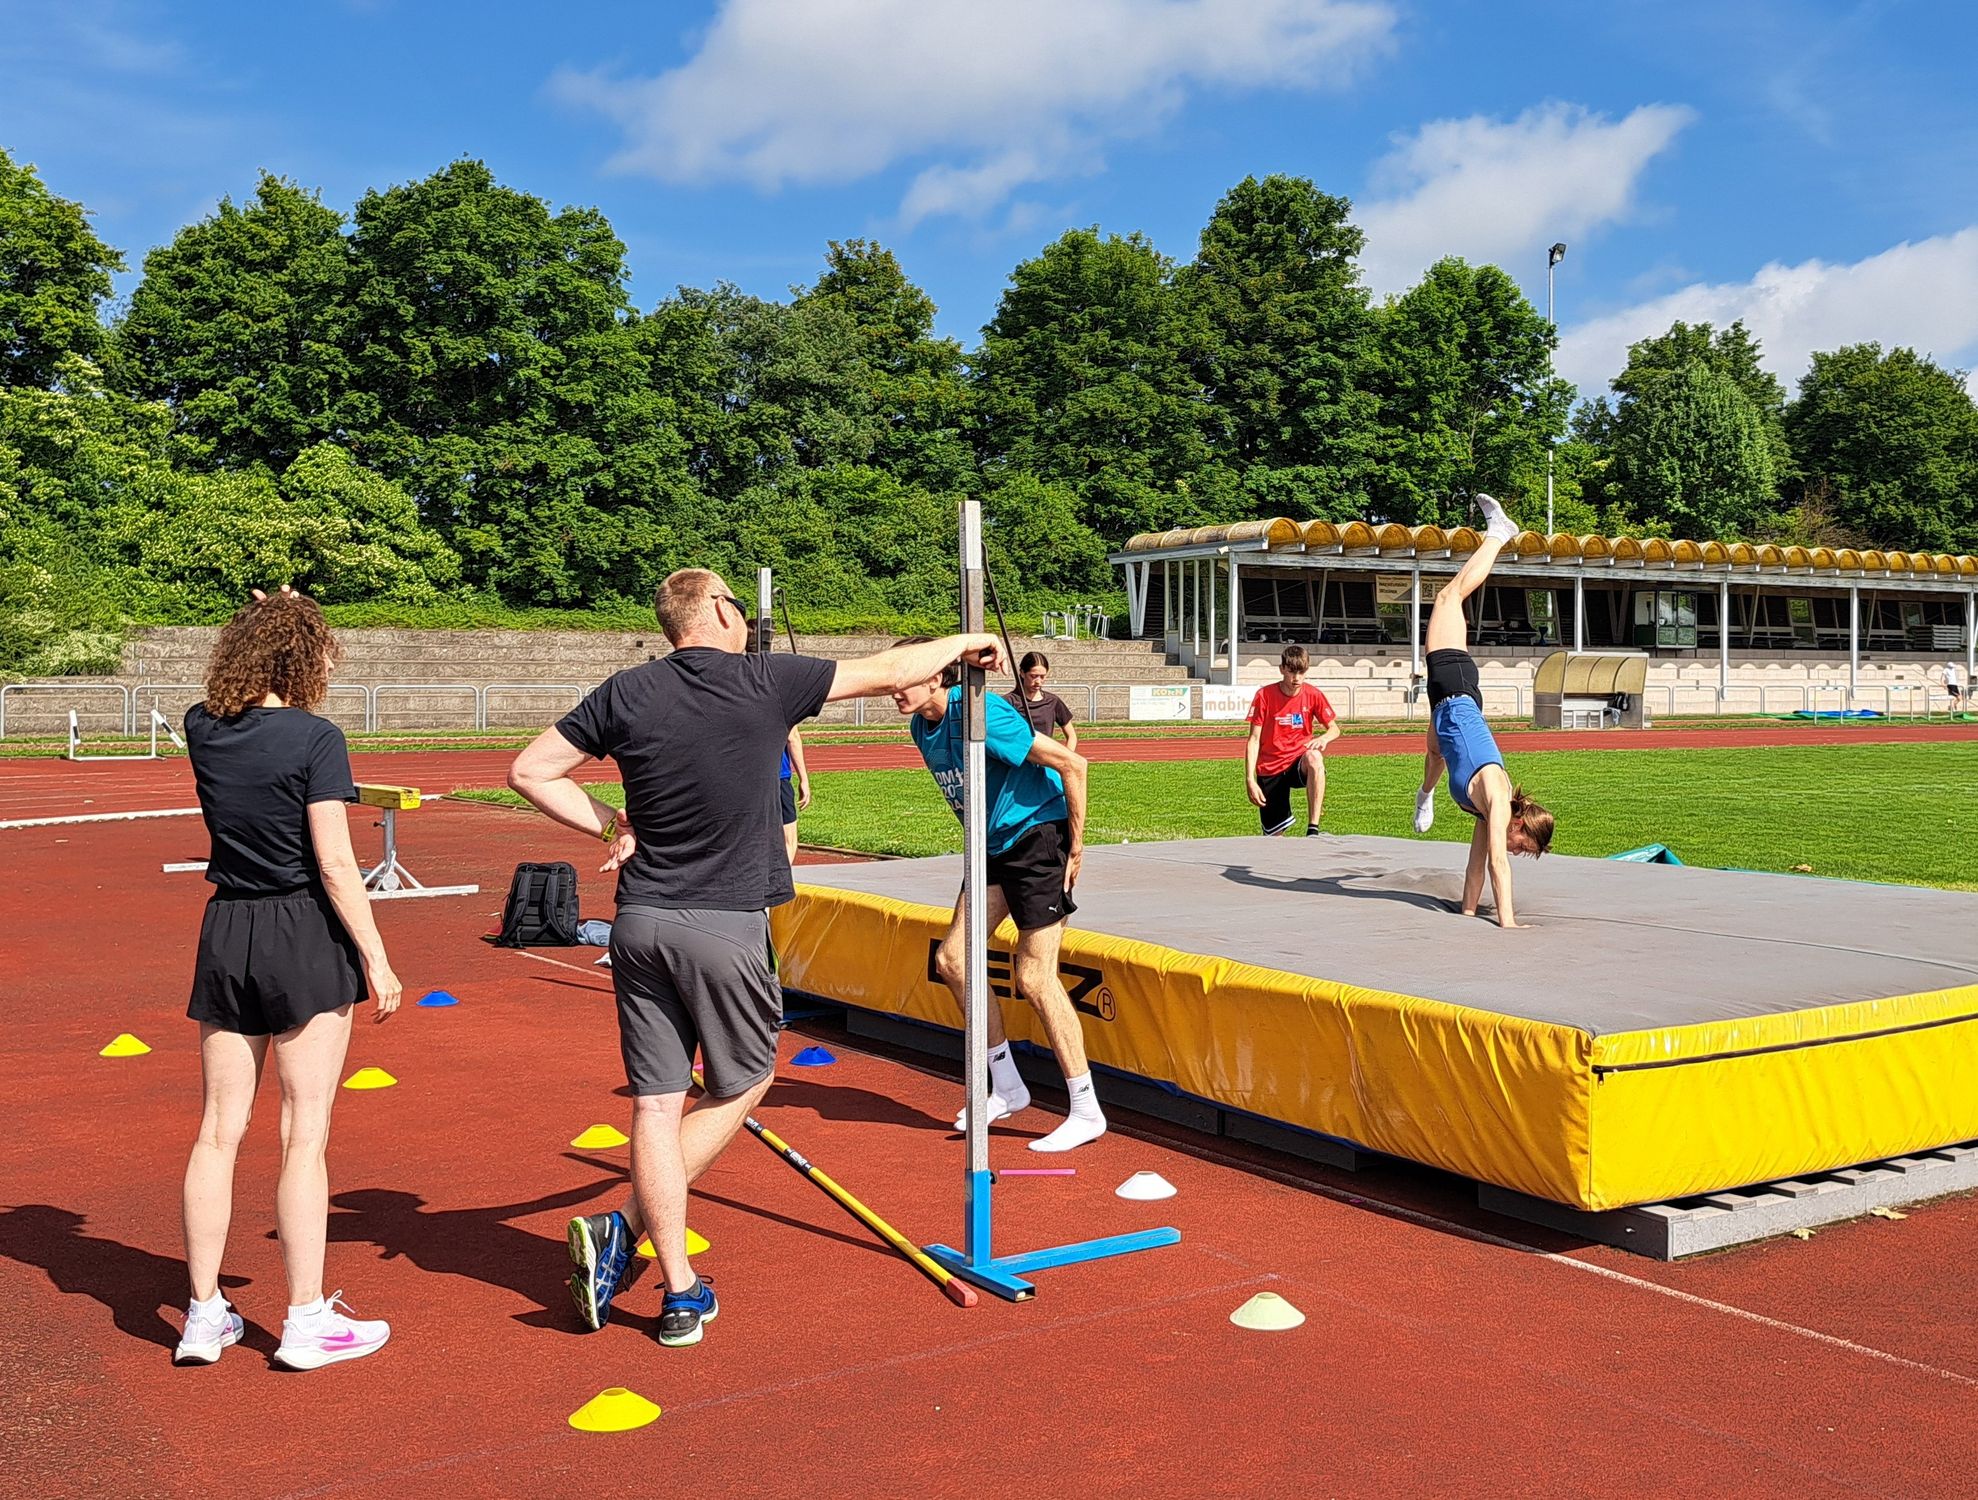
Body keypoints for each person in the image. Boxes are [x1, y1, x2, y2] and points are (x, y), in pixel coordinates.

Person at [507, 570, 1005, 1346]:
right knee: (745, 1082)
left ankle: (679, 1289)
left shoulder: (626, 690)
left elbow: (528, 771)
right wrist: (970, 640)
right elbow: (890, 671)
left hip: (637, 923)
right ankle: (627, 1234)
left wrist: (612, 825)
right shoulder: (764, 679)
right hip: (722, 923)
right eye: (736, 603)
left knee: (655, 1106)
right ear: (717, 610)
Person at [176, 587, 400, 1370]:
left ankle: (203, 1313)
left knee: (217, 1130)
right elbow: (335, 863)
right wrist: (376, 955)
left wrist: (269, 614)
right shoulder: (317, 739)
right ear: (300, 659)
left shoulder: (201, 727)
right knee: (303, 1134)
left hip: (228, 929)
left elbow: (225, 706)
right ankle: (304, 1318)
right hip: (302, 931)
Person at [897, 642, 1103, 1153]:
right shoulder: (921, 725)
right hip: (989, 848)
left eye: (903, 678)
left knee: (1034, 977)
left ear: (935, 678)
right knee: (953, 960)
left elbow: (1073, 764)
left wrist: (1076, 848)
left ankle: (1086, 1109)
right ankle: (1008, 1086)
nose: (893, 689)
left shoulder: (980, 712)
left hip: (1037, 839)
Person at [1410, 495, 1556, 927]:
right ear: (1520, 826)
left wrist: (1469, 912)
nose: (1515, 851)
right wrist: (1507, 922)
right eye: (1522, 846)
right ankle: (1498, 534)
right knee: (1448, 597)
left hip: (1450, 707)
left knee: (1435, 752)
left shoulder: (1485, 811)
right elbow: (1497, 864)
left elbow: (1475, 867)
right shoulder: (1496, 799)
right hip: (1454, 691)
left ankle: (1425, 795)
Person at [1244, 645, 1340, 836]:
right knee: (1274, 837)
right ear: (1281, 669)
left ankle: (1313, 829)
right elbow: (1253, 739)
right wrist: (1250, 779)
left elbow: (1334, 729)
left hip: (1297, 762)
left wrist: (1324, 738)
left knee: (1315, 757)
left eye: (1301, 672)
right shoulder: (1264, 696)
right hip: (1271, 767)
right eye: (1291, 672)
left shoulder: (1313, 695)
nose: (1296, 678)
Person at [1008, 651, 1078, 753]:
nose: (1038, 681)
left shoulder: (1053, 701)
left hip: (1045, 760)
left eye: (1042, 676)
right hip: (1018, 760)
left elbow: (1072, 736)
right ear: (1022, 673)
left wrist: (1066, 758)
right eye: (1033, 676)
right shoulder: (1008, 702)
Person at [780, 727, 811, 864]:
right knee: (789, 840)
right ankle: (779, 875)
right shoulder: (781, 711)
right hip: (778, 778)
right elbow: (792, 737)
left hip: (743, 780)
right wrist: (804, 779)